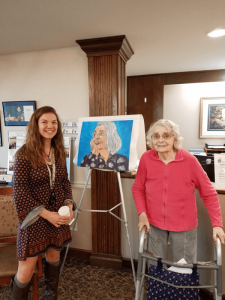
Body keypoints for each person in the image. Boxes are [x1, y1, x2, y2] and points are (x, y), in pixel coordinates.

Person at [132, 119, 225, 264]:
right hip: (154, 224)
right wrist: (142, 214)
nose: (161, 140)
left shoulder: (189, 161)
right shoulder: (146, 159)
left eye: (166, 135)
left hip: (184, 227)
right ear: (151, 139)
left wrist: (217, 224)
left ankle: (180, 287)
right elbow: (137, 188)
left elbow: (209, 194)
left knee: (183, 271)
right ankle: (159, 287)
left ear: (174, 138)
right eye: (156, 136)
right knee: (156, 271)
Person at [11, 106, 76, 300]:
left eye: (54, 122)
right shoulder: (24, 155)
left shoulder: (58, 152)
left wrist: (69, 205)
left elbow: (64, 181)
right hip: (35, 220)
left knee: (54, 258)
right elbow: (20, 192)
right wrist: (48, 214)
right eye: (45, 122)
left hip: (58, 219)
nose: (50, 126)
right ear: (36, 125)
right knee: (25, 271)